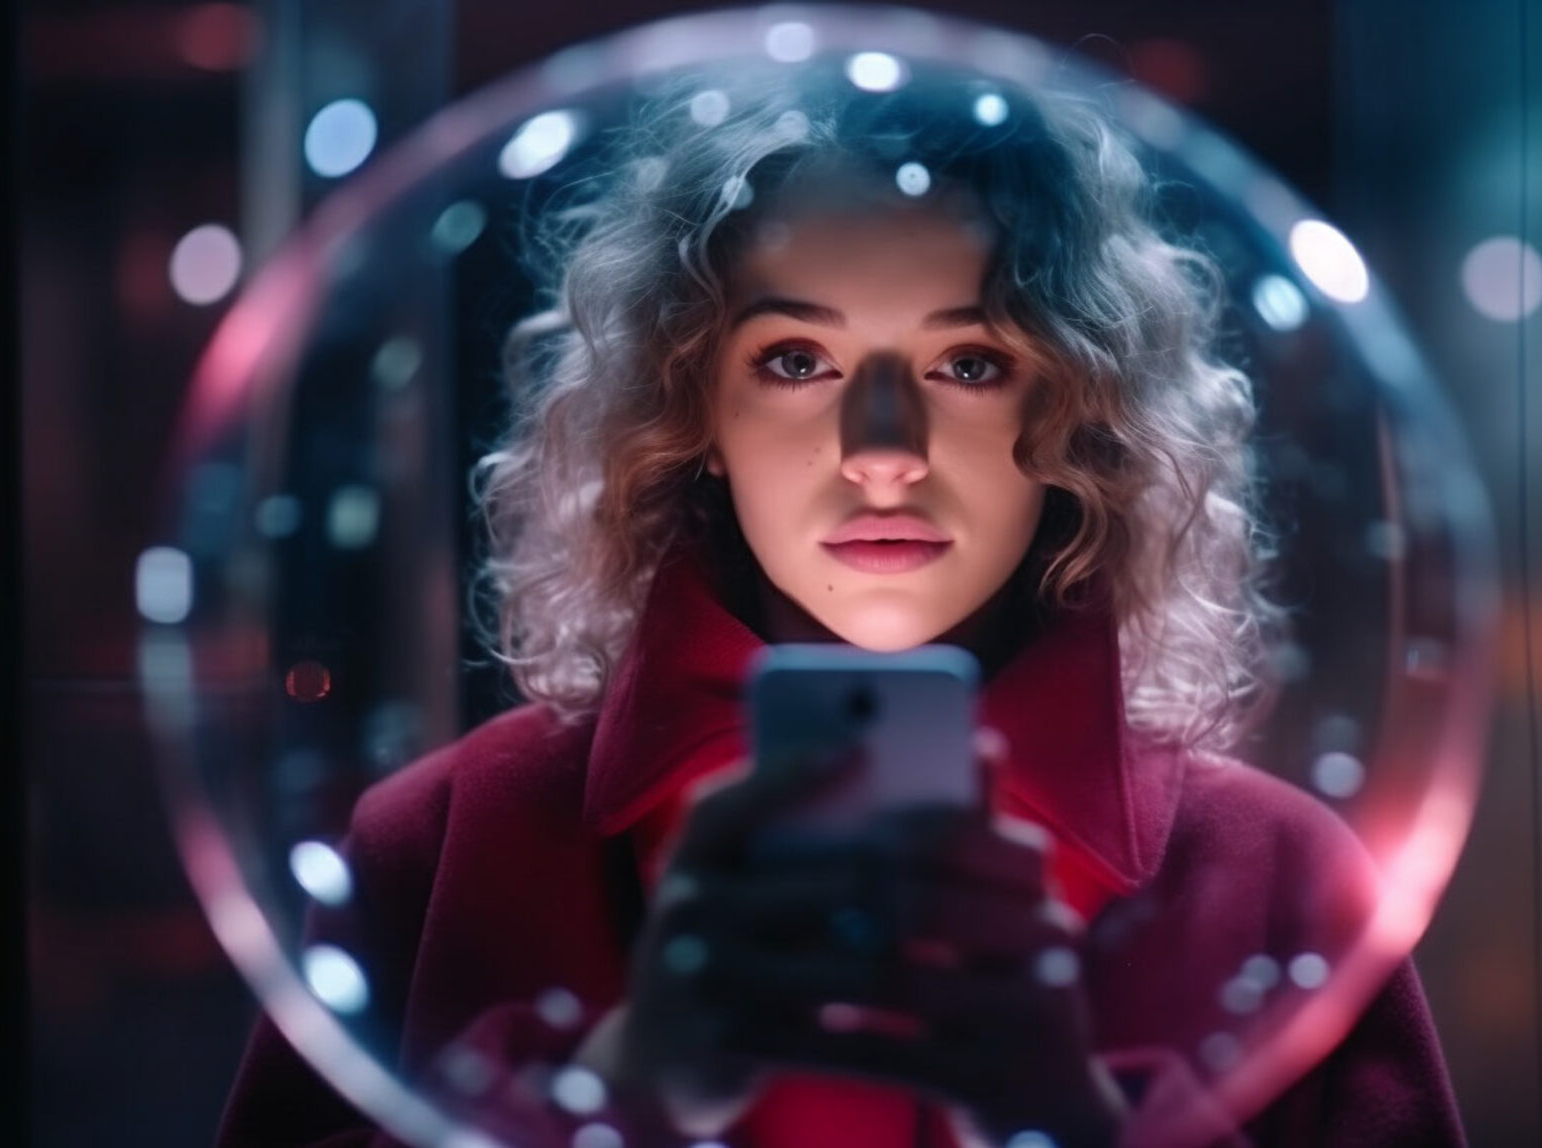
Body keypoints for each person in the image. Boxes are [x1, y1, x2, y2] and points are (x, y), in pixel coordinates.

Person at [218, 58, 1463, 1148]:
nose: (882, 450)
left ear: (1074, 410)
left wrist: (1074, 1122)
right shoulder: (439, 844)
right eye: (794, 359)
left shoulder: (1282, 880)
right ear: (690, 409)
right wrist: (609, 1098)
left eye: (968, 361)